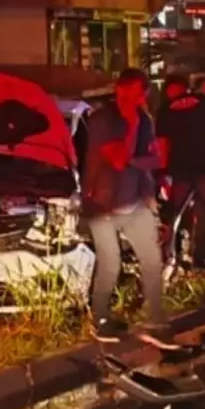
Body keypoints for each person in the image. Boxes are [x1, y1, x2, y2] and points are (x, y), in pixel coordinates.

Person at [84, 68, 166, 340]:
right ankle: (100, 320)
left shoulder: (144, 120)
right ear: (119, 90)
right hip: (103, 205)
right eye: (132, 92)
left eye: (141, 93)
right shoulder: (102, 120)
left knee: (152, 260)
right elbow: (118, 159)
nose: (137, 98)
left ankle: (156, 318)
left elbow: (154, 160)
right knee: (110, 265)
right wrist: (130, 127)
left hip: (134, 202)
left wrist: (148, 193)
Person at [156, 72, 205, 280]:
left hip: (179, 170)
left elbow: (163, 146)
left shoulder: (165, 111)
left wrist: (163, 175)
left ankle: (167, 267)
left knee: (172, 218)